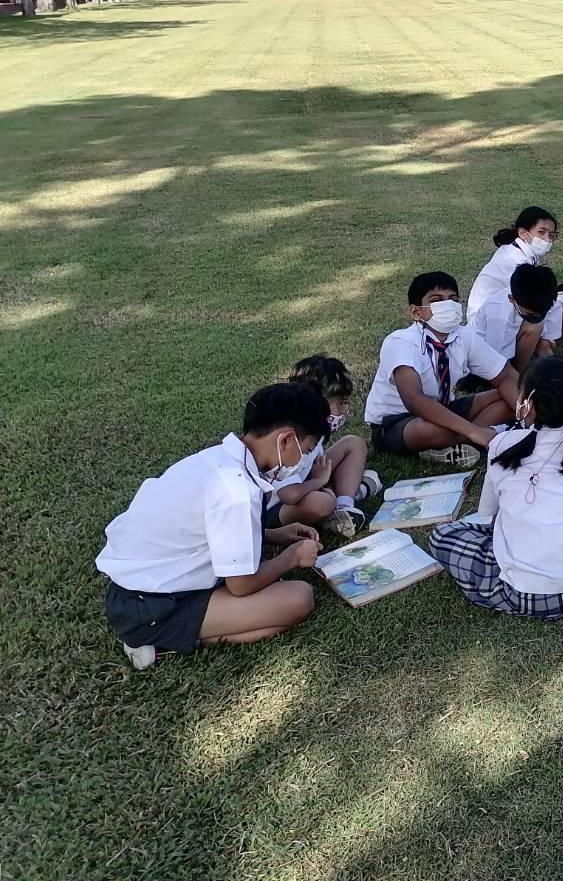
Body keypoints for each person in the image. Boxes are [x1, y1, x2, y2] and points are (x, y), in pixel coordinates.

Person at [95, 383, 327, 670]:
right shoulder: (237, 491)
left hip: (135, 590)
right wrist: (292, 557)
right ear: (286, 440)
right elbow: (241, 585)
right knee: (298, 599)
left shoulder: (217, 458)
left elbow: (208, 531)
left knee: (276, 595)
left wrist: (274, 535)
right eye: (305, 451)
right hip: (150, 606)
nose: (300, 462)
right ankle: (159, 642)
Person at [427, 356, 563, 618]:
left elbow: (487, 516)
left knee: (442, 536)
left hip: (525, 594)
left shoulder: (501, 444)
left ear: (525, 404)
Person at [363, 271, 517, 468]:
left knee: (508, 396)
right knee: (431, 430)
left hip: (444, 408)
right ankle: (481, 435)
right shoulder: (401, 342)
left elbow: (505, 375)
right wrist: (474, 431)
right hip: (397, 422)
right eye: (436, 300)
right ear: (416, 312)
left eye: (453, 299)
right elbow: (414, 400)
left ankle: (458, 443)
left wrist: (533, 410)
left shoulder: (463, 336)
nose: (448, 305)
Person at [467, 205, 563, 356]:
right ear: (522, 232)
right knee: (542, 315)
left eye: (551, 235)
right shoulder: (515, 262)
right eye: (541, 232)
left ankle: (551, 334)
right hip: (491, 323)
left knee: (560, 295)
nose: (547, 239)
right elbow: (548, 304)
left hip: (501, 311)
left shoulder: (514, 250)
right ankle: (543, 346)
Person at [265, 354, 383, 538]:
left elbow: (312, 465)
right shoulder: (291, 438)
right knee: (321, 502)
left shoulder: (315, 429)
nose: (345, 410)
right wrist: (319, 482)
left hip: (304, 482)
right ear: (316, 402)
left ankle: (345, 505)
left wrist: (319, 479)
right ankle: (348, 496)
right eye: (341, 403)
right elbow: (288, 494)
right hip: (277, 506)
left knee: (354, 443)